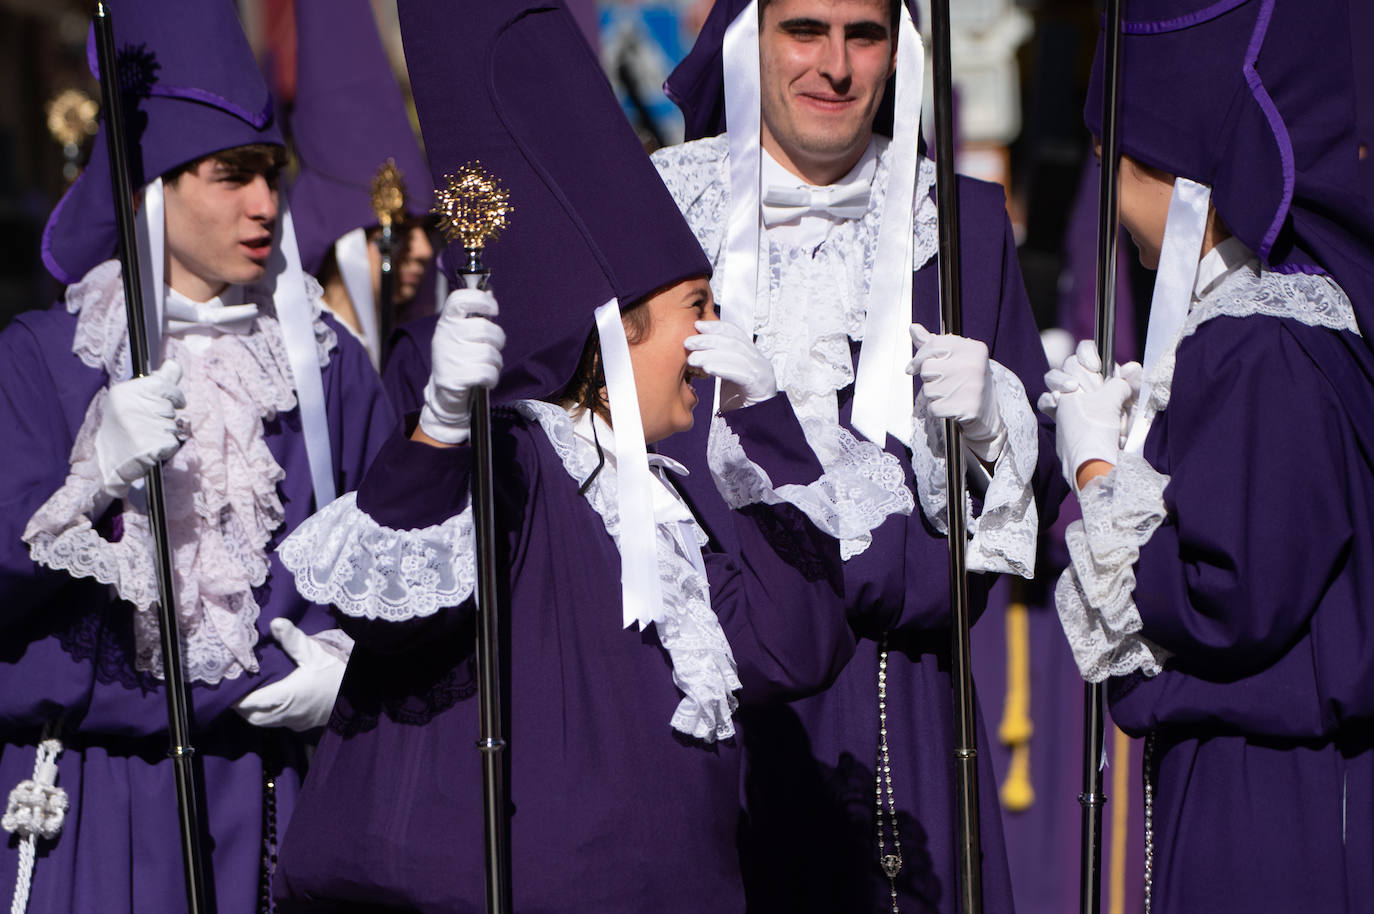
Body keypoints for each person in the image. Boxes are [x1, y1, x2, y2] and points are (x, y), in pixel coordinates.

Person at [270, 1, 852, 911]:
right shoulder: (519, 461)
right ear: (619, 333)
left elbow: (793, 648)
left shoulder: (675, 501)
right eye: (696, 306)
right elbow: (397, 596)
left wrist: (771, 425)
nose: (715, 335)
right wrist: (441, 431)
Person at [645, 0, 1064, 910]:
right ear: (748, 41)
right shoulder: (660, 212)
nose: (836, 65)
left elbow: (1010, 526)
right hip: (692, 702)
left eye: (863, 34)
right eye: (805, 30)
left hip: (891, 701)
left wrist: (993, 430)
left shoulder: (959, 226)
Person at [0, 2, 393, 912]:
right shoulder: (42, 357)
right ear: (154, 188)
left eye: (271, 174)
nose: (265, 204)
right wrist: (88, 479)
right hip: (89, 799)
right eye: (231, 177)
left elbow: (400, 564)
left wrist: (360, 669)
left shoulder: (321, 366)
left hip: (271, 794)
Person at [1041, 0, 1374, 909]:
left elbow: (1228, 597)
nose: (1112, 202)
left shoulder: (1259, 337)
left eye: (1118, 166)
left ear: (1185, 177)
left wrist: (1099, 475)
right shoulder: (1271, 325)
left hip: (1269, 799)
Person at [287, 0, 436, 368]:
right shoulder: (299, 360)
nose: (423, 250)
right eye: (401, 228)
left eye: (425, 229)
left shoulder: (415, 358)